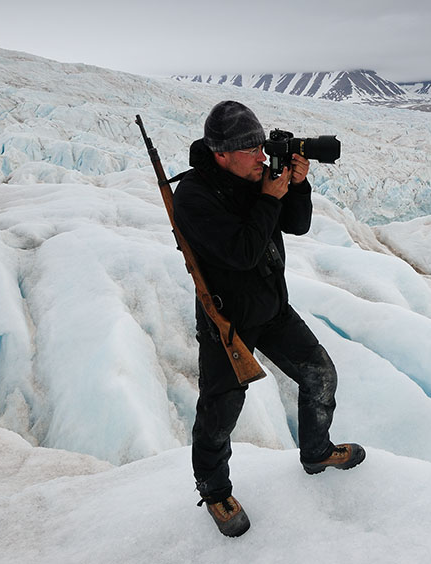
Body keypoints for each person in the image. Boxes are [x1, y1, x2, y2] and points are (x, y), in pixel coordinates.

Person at [172, 100, 365, 538]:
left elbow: (295, 226)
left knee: (320, 373)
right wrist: (266, 200)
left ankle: (316, 452)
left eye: (262, 148)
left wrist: (296, 187)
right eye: (252, 151)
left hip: (272, 308)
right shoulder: (195, 196)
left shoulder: (254, 177)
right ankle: (215, 489)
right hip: (228, 320)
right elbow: (242, 253)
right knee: (220, 411)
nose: (262, 157)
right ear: (221, 154)